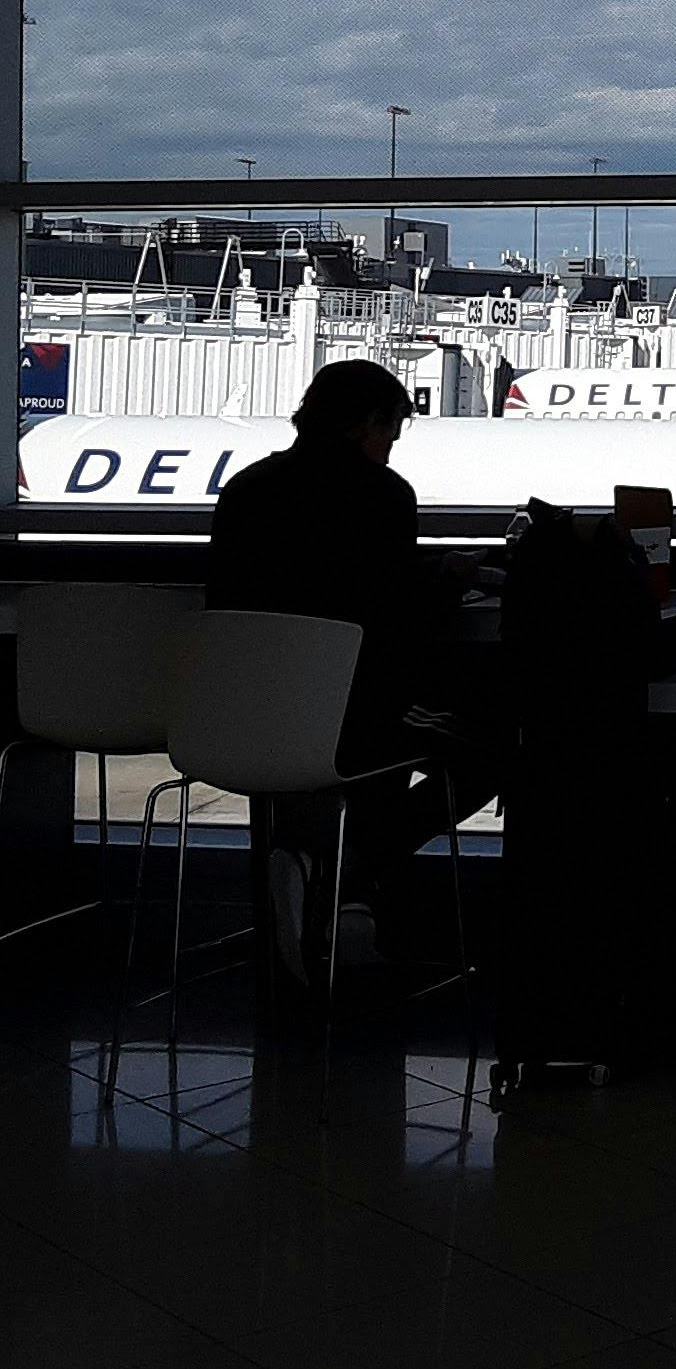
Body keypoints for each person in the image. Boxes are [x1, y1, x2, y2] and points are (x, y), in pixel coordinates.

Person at [206, 360, 501, 979]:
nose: (391, 448)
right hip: (354, 713)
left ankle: (330, 877)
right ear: (366, 424)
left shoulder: (246, 490)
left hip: (241, 712)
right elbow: (391, 615)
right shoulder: (382, 497)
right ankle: (350, 873)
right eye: (390, 432)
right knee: (491, 752)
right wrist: (446, 583)